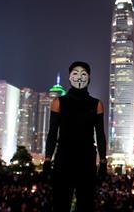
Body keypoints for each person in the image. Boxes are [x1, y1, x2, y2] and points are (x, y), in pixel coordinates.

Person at [44, 61, 107, 212]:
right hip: (64, 157)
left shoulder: (97, 104)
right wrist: (47, 159)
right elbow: (52, 132)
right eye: (75, 73)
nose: (79, 77)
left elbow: (100, 134)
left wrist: (104, 161)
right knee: (60, 203)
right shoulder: (58, 102)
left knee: (86, 204)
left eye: (83, 74)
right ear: (69, 77)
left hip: (87, 158)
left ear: (89, 78)